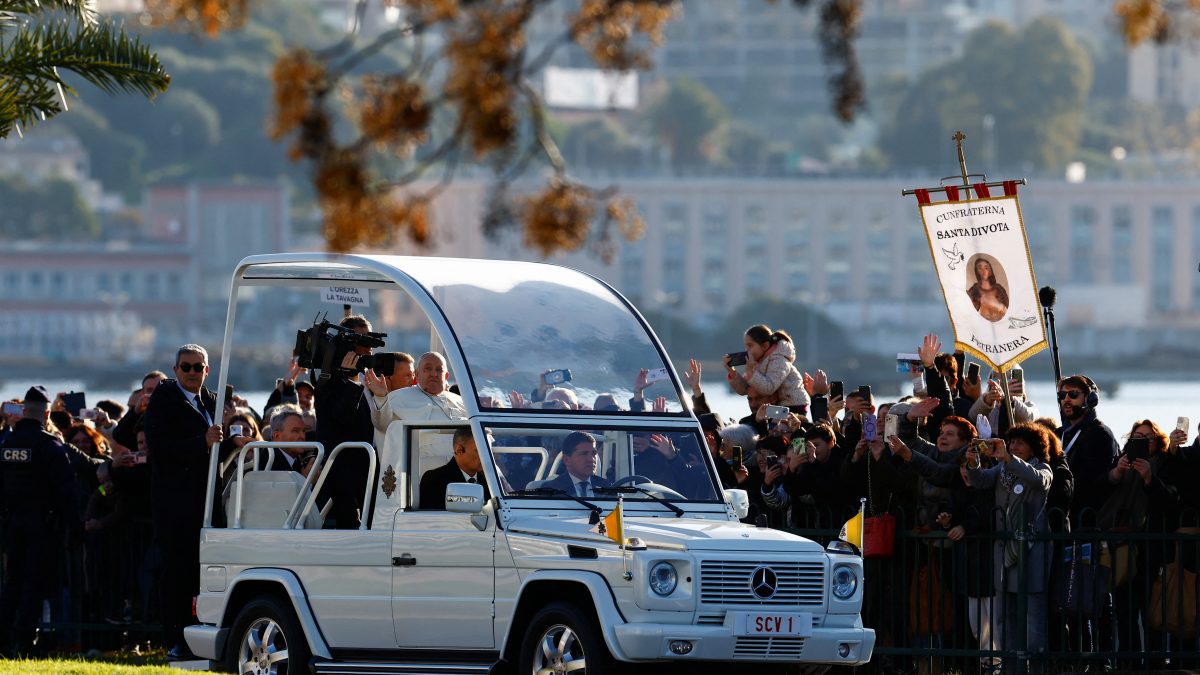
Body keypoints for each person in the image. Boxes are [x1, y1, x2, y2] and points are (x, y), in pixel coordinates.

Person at [142, 344, 222, 661]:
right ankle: (176, 638)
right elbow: (161, 448)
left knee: (205, 575)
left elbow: (218, 450)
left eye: (197, 367)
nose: (192, 373)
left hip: (206, 500)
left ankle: (203, 636)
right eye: (186, 367)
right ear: (175, 370)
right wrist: (201, 442)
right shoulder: (163, 401)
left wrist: (231, 441)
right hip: (176, 505)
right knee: (177, 574)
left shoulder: (213, 401)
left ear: (207, 370)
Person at [965, 423, 1055, 670]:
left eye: (1019, 443)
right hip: (1005, 552)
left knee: (1033, 618)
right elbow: (981, 481)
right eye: (1011, 442)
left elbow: (1040, 481)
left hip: (1032, 552)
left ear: (1033, 448)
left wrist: (1008, 457)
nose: (1013, 447)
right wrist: (974, 464)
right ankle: (1011, 667)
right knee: (1006, 617)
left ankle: (1036, 667)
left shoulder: (1042, 467)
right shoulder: (1003, 469)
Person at [0, 386, 79, 656]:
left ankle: (3, 641)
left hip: (12, 524)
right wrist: (76, 529)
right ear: (47, 413)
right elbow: (68, 491)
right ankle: (22, 643)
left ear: (23, 411)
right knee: (34, 585)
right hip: (42, 526)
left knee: (12, 585)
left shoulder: (6, 443)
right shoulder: (48, 445)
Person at [314, 315, 381, 530]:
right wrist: (349, 379)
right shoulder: (329, 381)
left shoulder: (370, 378)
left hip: (372, 466)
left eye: (371, 340)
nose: (369, 347)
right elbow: (340, 417)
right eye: (363, 341)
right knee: (350, 526)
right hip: (345, 471)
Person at [1054, 375, 1119, 528]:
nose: (1066, 400)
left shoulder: (1101, 434)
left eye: (1073, 394)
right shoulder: (1057, 434)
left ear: (1090, 399)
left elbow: (1094, 483)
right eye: (1062, 395)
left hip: (1087, 522)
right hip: (1059, 520)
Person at [725, 324, 810, 411]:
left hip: (794, 406)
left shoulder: (779, 360)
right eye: (746, 346)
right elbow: (745, 390)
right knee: (750, 421)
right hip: (778, 408)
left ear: (765, 346)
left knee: (763, 422)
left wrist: (751, 373)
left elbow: (769, 388)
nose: (747, 351)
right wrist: (732, 371)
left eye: (750, 346)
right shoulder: (758, 362)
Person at [367, 352, 468, 424]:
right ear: (417, 374)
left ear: (446, 376)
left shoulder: (461, 402)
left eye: (439, 370)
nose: (434, 374)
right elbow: (382, 425)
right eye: (428, 369)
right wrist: (381, 397)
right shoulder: (397, 398)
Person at [419, 427, 491, 509]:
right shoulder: (434, 480)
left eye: (489, 451)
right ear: (459, 450)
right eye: (480, 451)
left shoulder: (490, 479)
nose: (487, 456)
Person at [545, 431, 612, 497]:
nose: (591, 459)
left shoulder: (606, 487)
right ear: (567, 459)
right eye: (584, 454)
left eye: (594, 454)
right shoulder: (551, 490)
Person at [967, 257, 1009, 322]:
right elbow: (969, 312)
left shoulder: (999, 289)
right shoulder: (974, 291)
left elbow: (1010, 308)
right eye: (980, 268)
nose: (984, 271)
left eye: (986, 268)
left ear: (990, 271)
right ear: (976, 271)